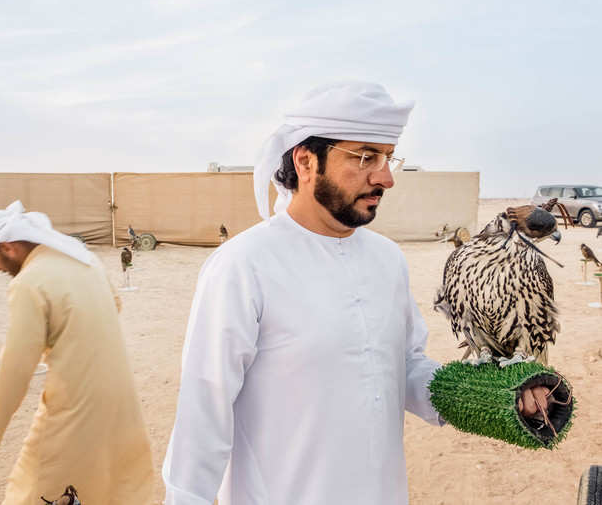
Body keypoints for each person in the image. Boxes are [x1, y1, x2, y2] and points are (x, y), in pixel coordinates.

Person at [162, 82, 549, 505]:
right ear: (306, 160)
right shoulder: (244, 264)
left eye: (388, 158)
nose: (385, 177)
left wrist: (495, 393)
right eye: (366, 156)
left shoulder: (387, 259)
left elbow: (403, 366)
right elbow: (205, 408)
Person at [0, 200, 153, 505]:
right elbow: (115, 304)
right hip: (122, 403)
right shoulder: (84, 260)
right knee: (111, 487)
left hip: (74, 408)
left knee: (36, 488)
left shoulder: (29, 282)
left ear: (9, 246)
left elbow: (16, 370)